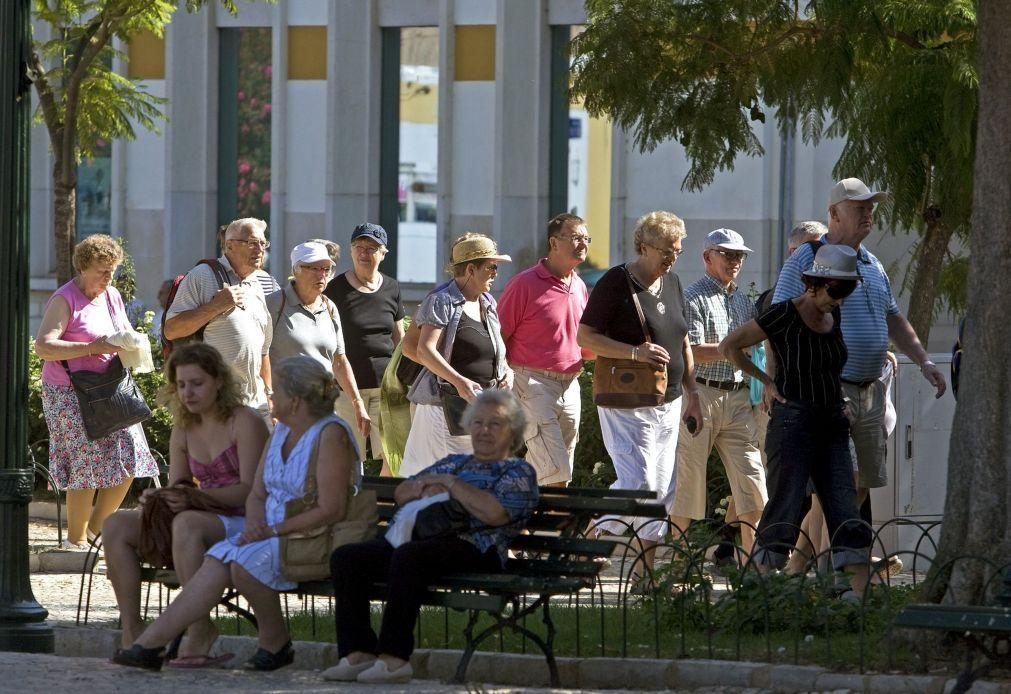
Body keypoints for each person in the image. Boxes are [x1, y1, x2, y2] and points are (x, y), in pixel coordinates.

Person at [111, 356, 362, 672]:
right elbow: (257, 492)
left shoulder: (331, 434)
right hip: (272, 531)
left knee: (241, 563)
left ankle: (273, 641)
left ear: (296, 401)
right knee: (221, 557)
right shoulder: (283, 431)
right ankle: (148, 646)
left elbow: (332, 509)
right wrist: (257, 524)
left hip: (312, 535)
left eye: (277, 393)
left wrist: (271, 530)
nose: (271, 398)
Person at [324, 389, 538, 684]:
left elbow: (495, 514)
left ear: (512, 430)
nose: (484, 430)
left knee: (410, 557)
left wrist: (451, 485)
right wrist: (426, 488)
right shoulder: (454, 461)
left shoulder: (517, 471)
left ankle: (394, 659)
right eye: (478, 423)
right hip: (420, 540)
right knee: (348, 558)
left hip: (475, 547)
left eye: (495, 424)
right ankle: (357, 653)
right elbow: (402, 492)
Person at [772, 179, 946, 510]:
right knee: (841, 480)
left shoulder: (873, 263)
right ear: (834, 214)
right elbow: (780, 320)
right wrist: (777, 378)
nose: (868, 214)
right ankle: (822, 560)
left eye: (870, 208)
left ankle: (826, 561)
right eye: (859, 208)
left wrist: (924, 361)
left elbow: (894, 318)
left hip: (871, 391)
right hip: (832, 389)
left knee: (863, 484)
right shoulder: (809, 257)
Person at [102, 343, 269, 665]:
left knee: (187, 523)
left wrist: (194, 498)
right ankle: (133, 631)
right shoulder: (185, 426)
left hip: (246, 517)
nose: (188, 393)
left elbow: (251, 491)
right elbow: (180, 483)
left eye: (197, 383)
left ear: (219, 381)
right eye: (181, 385)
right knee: (116, 524)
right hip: (201, 514)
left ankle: (200, 628)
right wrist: (163, 496)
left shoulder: (245, 421)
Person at [720, 244, 871, 595]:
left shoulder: (836, 316)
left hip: (832, 424)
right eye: (835, 290)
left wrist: (842, 399)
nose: (839, 298)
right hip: (794, 423)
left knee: (844, 504)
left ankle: (858, 600)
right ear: (814, 283)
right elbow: (731, 346)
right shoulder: (784, 314)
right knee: (785, 505)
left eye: (846, 290)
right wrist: (767, 382)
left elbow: (830, 367)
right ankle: (756, 595)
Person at [577, 211, 703, 580]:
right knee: (641, 484)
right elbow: (585, 336)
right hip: (627, 401)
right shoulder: (616, 283)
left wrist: (693, 391)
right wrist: (635, 352)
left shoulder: (675, 282)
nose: (672, 257)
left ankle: (644, 576)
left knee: (662, 489)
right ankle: (592, 533)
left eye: (677, 250)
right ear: (643, 246)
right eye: (665, 250)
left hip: (671, 398)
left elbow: (683, 339)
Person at [34, 234, 159, 550]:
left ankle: (96, 531)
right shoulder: (65, 299)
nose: (108, 277)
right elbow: (44, 346)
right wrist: (94, 347)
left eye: (112, 271)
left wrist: (134, 341)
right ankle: (76, 541)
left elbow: (122, 334)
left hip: (112, 387)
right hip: (69, 392)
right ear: (82, 267)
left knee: (131, 458)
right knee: (85, 465)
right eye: (102, 271)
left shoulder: (112, 295)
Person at [669, 229, 767, 559]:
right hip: (702, 395)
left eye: (739, 255)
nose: (734, 260)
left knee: (753, 484)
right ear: (707, 257)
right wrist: (732, 349)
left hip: (738, 397)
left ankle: (753, 569)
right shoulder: (693, 297)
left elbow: (756, 350)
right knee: (688, 484)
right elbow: (690, 350)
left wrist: (764, 385)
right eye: (726, 254)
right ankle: (678, 567)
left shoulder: (742, 300)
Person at [400, 233, 513, 476]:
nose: (495, 272)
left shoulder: (488, 302)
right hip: (444, 409)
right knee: (442, 484)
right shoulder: (442, 300)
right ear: (471, 269)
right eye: (491, 267)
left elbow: (493, 350)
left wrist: (506, 372)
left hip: (480, 410)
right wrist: (459, 382)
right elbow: (423, 349)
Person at [498, 213, 590, 487]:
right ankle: (551, 528)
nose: (582, 243)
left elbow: (582, 342)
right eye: (575, 237)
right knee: (556, 471)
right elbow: (498, 336)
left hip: (571, 384)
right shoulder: (524, 284)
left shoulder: (580, 286)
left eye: (586, 238)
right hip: (532, 383)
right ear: (554, 242)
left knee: (548, 469)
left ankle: (510, 517)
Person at [163, 217, 275, 420]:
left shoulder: (257, 283)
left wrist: (269, 394)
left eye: (262, 243)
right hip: (217, 404)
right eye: (251, 243)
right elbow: (172, 329)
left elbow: (263, 352)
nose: (259, 249)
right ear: (229, 245)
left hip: (257, 404)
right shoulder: (203, 275)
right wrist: (215, 306)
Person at [324, 223, 406, 473]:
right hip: (347, 389)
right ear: (350, 251)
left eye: (371, 248)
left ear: (383, 253)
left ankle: (381, 506)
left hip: (385, 387)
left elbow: (399, 338)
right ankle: (349, 508)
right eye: (359, 247)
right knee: (349, 457)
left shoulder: (392, 288)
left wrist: (403, 381)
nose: (364, 253)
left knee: (391, 454)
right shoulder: (334, 290)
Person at [266, 241, 370, 436]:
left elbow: (339, 360)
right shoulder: (274, 304)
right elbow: (259, 356)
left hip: (323, 407)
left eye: (326, 269)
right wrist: (270, 398)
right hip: (286, 409)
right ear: (296, 270)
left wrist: (358, 403)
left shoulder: (330, 308)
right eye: (315, 268)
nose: (322, 275)